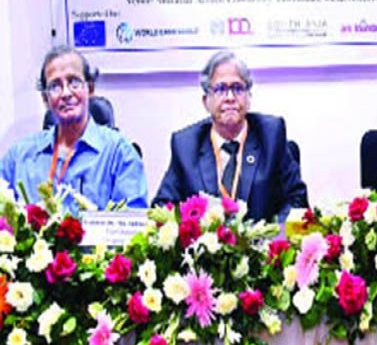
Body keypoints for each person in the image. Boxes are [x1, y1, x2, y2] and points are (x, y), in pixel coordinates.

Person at [153, 50, 308, 221]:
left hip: (261, 244)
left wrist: (271, 236)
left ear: (249, 97)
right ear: (206, 101)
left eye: (237, 88)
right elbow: (162, 208)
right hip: (207, 245)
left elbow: (297, 200)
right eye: (220, 89)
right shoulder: (185, 145)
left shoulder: (271, 135)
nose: (230, 98)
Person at [0, 46, 147, 211]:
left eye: (74, 82)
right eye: (55, 86)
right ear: (45, 99)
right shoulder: (18, 158)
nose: (66, 93)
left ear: (89, 89)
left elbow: (133, 226)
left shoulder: (120, 154)